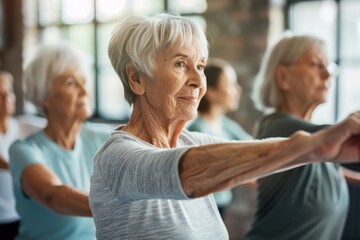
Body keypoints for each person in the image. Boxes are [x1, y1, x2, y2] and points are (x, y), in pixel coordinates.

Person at [89, 14, 360, 239]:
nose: (198, 80)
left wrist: (327, 152)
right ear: (136, 78)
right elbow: (186, 172)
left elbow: (259, 153)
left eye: (201, 66)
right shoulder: (117, 157)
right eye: (180, 64)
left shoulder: (192, 142)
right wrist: (314, 146)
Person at [245, 34, 360, 240]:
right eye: (316, 64)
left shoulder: (318, 141)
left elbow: (324, 164)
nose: (327, 75)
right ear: (283, 77)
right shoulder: (278, 127)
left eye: (329, 67)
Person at [9, 44, 113, 240]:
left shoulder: (105, 139)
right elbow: (53, 195)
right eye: (71, 83)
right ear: (44, 96)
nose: (84, 91)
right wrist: (116, 208)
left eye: (84, 81)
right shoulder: (24, 150)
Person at [187, 58, 252, 218]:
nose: (237, 90)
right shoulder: (197, 130)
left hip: (222, 205)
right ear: (211, 92)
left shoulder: (226, 125)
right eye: (230, 84)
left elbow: (254, 146)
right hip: (202, 208)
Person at [0, 71, 45, 240]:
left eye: (8, 93)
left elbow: (53, 127)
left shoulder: (22, 126)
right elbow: (5, 164)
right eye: (0, 95)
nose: (6, 99)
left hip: (20, 215)